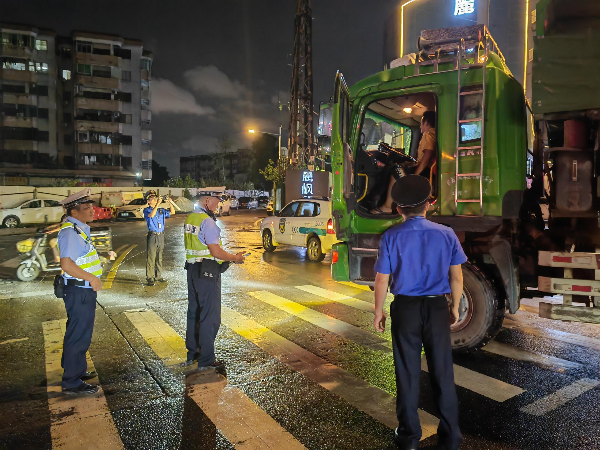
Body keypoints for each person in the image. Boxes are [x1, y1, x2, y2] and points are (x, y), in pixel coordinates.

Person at [373, 175, 466, 450]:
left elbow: (381, 279)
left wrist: (378, 311)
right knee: (442, 373)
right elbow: (456, 278)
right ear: (428, 205)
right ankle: (450, 437)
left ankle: (409, 437)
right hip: (436, 306)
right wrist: (454, 306)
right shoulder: (446, 234)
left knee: (407, 373)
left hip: (406, 308)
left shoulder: (391, 236)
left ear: (399, 209)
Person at [184, 195, 245, 370]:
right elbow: (215, 251)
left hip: (192, 270)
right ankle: (207, 359)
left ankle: (193, 354)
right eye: (216, 203)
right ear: (207, 202)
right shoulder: (207, 222)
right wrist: (235, 258)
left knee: (194, 313)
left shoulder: (190, 218)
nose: (218, 206)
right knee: (209, 317)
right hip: (207, 272)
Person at [57, 189, 103, 395]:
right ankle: (71, 381)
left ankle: (77, 369)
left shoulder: (78, 229)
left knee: (78, 331)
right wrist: (92, 278)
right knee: (78, 334)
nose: (92, 211)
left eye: (92, 207)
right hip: (79, 291)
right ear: (74, 212)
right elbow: (67, 264)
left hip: (80, 290)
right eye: (87, 208)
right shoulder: (70, 232)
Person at [144, 190, 175, 286]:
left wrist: (169, 202)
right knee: (151, 257)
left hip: (161, 235)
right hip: (153, 235)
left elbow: (173, 212)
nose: (154, 199)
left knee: (159, 257)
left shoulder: (160, 210)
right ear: (148, 201)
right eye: (152, 198)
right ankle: (150, 277)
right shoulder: (147, 210)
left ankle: (158, 276)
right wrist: (158, 204)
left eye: (155, 197)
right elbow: (151, 215)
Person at [413, 110, 437, 179]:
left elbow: (428, 155)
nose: (420, 126)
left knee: (396, 173)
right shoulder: (436, 133)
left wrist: (416, 174)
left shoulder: (428, 134)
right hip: (431, 171)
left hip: (426, 170)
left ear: (426, 123)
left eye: (421, 123)